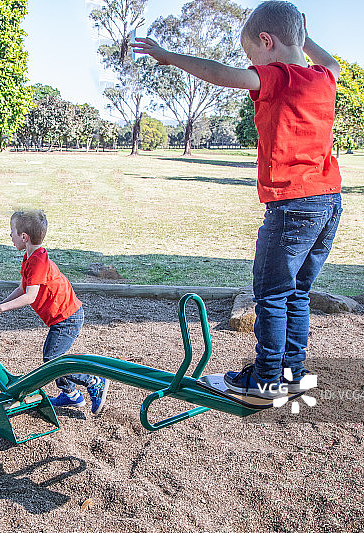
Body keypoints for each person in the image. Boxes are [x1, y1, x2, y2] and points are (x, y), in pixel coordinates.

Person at [132, 1, 343, 398]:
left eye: (252, 56)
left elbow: (219, 75)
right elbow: (329, 59)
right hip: (329, 204)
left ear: (267, 42)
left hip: (292, 204)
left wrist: (168, 56)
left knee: (271, 294)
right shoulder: (323, 78)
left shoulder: (279, 77)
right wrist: (302, 33)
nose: (251, 66)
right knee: (296, 292)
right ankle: (292, 374)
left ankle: (265, 379)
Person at [0, 210, 109, 414]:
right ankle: (71, 395)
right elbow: (23, 287)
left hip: (68, 317)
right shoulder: (30, 257)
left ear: (24, 237)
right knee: (55, 358)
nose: (10, 236)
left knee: (53, 360)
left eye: (12, 232)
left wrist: (0, 308)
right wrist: (1, 304)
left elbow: (30, 296)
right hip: (61, 317)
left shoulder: (38, 261)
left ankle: (94, 381)